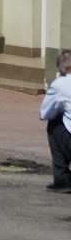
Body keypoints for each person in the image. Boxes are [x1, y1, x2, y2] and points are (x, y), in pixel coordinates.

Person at [40, 50, 71, 193]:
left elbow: (44, 114)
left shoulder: (60, 84)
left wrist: (61, 111)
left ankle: (62, 178)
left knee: (54, 124)